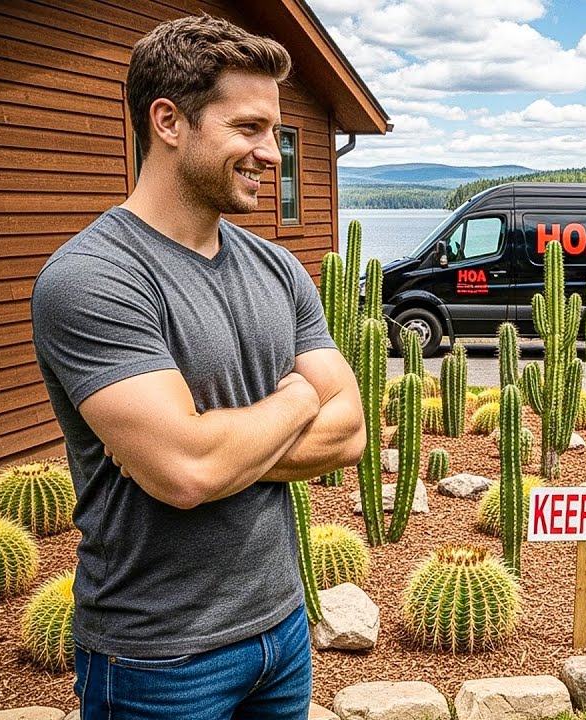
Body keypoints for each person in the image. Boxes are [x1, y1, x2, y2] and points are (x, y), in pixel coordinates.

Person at [30, 15, 365, 719]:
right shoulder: (93, 277)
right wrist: (302, 396)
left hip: (281, 628)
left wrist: (215, 448)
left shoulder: (276, 267)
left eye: (273, 132)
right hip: (159, 659)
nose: (271, 154)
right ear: (168, 121)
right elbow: (188, 474)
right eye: (248, 128)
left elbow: (351, 434)